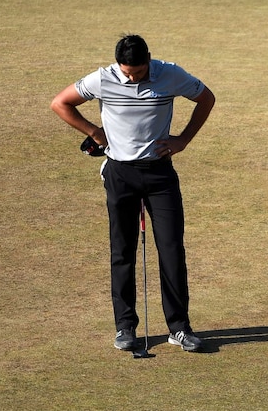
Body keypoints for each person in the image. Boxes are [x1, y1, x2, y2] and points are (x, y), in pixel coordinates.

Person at [51, 34, 215, 352]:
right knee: (122, 252)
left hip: (159, 175)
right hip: (119, 174)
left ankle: (179, 328)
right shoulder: (103, 78)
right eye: (127, 72)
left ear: (148, 60)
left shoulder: (171, 74)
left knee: (171, 250)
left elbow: (206, 98)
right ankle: (124, 328)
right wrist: (94, 132)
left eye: (138, 72)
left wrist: (184, 139)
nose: (132, 78)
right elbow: (60, 103)